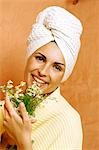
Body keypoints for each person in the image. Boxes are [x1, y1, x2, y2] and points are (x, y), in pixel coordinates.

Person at [0, 6, 83, 150]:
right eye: (40, 58)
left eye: (57, 67)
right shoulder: (5, 110)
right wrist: (5, 139)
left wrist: (23, 141)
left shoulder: (67, 121)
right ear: (29, 56)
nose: (43, 72)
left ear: (64, 75)